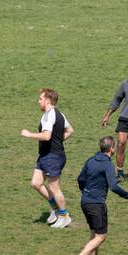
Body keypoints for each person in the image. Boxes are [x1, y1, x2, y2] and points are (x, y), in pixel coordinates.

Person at [70, 136, 128, 255]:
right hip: (97, 204)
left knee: (94, 232)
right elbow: (113, 186)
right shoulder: (107, 165)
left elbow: (80, 179)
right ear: (111, 149)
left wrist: (85, 191)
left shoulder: (90, 160)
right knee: (101, 236)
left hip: (85, 201)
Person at [21, 87, 74, 228]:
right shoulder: (59, 114)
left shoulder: (50, 115)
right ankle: (56, 210)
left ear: (47, 100)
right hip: (45, 155)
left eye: (40, 99)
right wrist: (58, 140)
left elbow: (46, 136)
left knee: (54, 187)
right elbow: (70, 130)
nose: (38, 101)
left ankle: (64, 216)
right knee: (36, 183)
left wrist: (29, 134)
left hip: (53, 156)